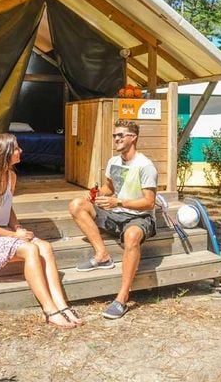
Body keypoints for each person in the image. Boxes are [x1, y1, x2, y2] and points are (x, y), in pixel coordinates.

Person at [0, 133, 82, 329]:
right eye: (16, 148)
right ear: (4, 153)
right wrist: (14, 235)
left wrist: (17, 226)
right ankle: (50, 310)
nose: (20, 151)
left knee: (46, 247)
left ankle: (62, 305)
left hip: (3, 232)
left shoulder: (11, 176)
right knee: (31, 249)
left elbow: (7, 207)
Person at [69, 119, 158, 319]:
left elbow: (149, 203)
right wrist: (96, 194)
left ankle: (122, 297)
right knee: (76, 205)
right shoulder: (113, 162)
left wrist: (118, 202)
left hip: (139, 217)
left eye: (120, 135)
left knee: (132, 236)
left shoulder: (145, 166)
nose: (116, 138)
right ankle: (102, 255)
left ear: (133, 138)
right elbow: (109, 188)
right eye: (114, 135)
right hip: (115, 213)